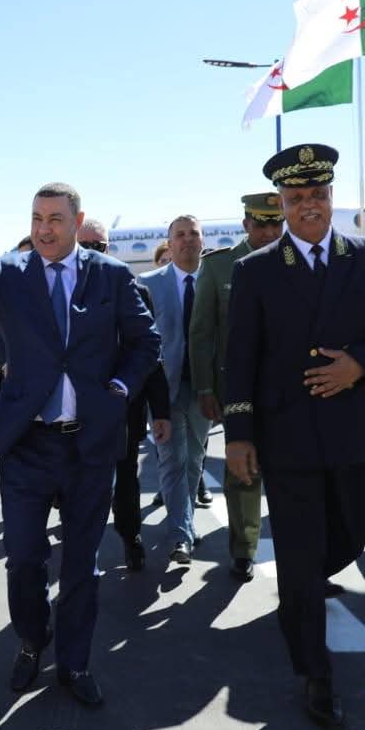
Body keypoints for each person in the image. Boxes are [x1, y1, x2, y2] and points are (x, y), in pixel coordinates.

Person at [0, 183, 160, 708]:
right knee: (22, 558)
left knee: (83, 565)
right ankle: (31, 638)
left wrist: (119, 391)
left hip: (90, 445)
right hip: (27, 445)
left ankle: (76, 662)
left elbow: (145, 341)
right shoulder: (10, 272)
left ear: (77, 220)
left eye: (56, 219)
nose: (44, 228)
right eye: (37, 218)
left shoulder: (110, 275)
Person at [223, 145, 365, 730]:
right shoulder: (254, 270)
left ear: (332, 198)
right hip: (288, 438)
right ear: (282, 205)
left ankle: (302, 602)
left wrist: (360, 364)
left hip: (354, 430)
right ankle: (315, 672)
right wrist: (238, 434)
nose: (308, 206)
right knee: (303, 562)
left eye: (318, 195)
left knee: (350, 537)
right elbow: (240, 358)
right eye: (296, 198)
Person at [190, 191, 285, 582]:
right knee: (244, 469)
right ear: (246, 224)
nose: (268, 232)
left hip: (291, 388)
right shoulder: (219, 267)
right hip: (239, 387)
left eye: (274, 224)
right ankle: (245, 547)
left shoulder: (297, 262)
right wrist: (204, 388)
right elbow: (202, 332)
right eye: (260, 224)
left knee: (292, 470)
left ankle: (297, 547)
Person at [79, 218, 170, 572]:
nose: (91, 253)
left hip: (122, 405)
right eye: (84, 245)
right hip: (72, 410)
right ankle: (81, 548)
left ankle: (131, 537)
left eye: (98, 247)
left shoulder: (131, 289)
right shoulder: (52, 289)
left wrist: (160, 410)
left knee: (125, 474)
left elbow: (149, 351)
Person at [140, 216, 208, 565]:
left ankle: (186, 522)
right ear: (169, 243)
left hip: (204, 389)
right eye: (179, 235)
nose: (187, 240)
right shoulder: (148, 284)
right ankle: (180, 535)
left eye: (193, 233)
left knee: (194, 459)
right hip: (163, 390)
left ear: (202, 240)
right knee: (171, 461)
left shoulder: (214, 280)